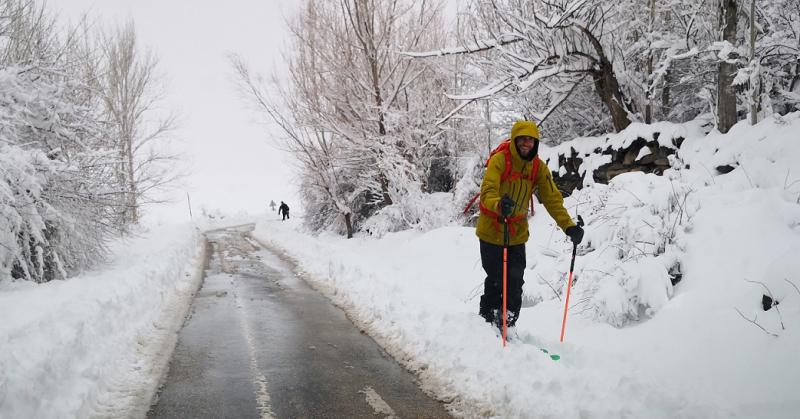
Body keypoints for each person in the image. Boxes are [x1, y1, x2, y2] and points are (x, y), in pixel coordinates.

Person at [476, 120, 584, 334]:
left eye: (531, 140)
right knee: (497, 280)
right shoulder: (500, 161)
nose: (527, 143)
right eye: (523, 139)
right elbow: (487, 191)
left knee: (515, 283)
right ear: (515, 140)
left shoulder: (537, 167)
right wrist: (499, 204)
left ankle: (508, 325)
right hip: (492, 231)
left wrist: (569, 227)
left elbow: (552, 199)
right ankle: (486, 323)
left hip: (516, 234)